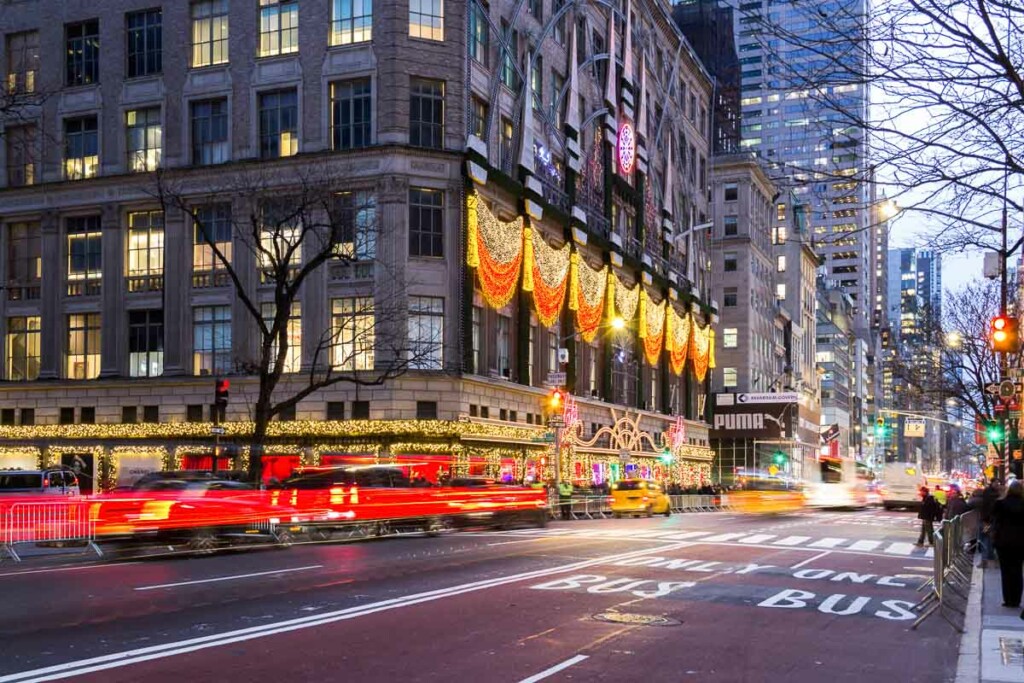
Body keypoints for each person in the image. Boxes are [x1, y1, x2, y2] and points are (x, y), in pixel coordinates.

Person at [992, 479, 1024, 609]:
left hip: (1003, 541)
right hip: (1021, 542)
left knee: (1005, 571)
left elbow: (995, 522)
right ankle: (1016, 600)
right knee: (1017, 570)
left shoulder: (1000, 504)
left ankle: (1008, 599)